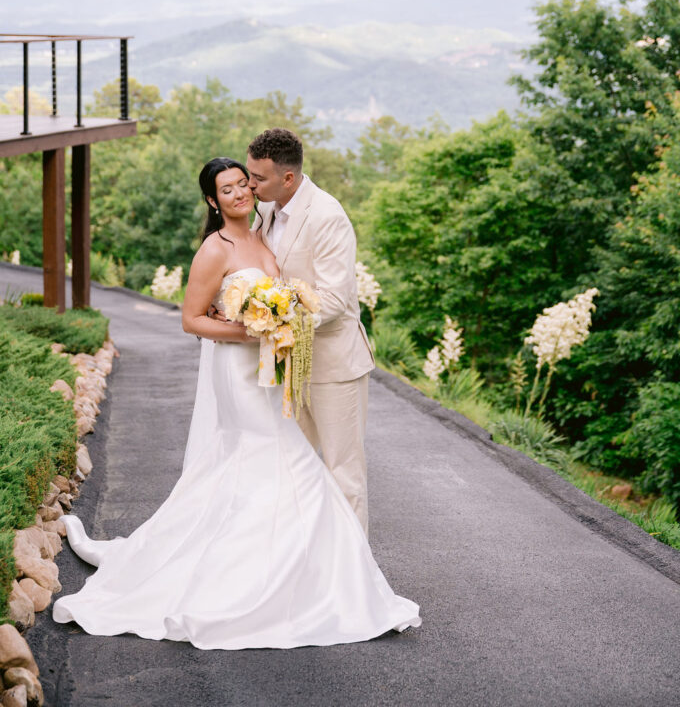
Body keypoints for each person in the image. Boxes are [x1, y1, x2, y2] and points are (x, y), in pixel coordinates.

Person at [53, 157, 420, 649]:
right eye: (226, 190)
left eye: (243, 184)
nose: (240, 194)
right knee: (277, 457)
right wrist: (250, 330)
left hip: (268, 370)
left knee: (274, 463)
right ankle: (268, 582)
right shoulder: (215, 248)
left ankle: (301, 573)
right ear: (212, 201)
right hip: (238, 368)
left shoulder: (263, 232)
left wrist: (277, 325)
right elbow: (191, 319)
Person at [244, 128, 374, 534]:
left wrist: (272, 315)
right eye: (249, 174)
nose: (249, 185)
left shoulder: (328, 216)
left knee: (342, 472)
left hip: (334, 366)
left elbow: (334, 300)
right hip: (288, 364)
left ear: (288, 178)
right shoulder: (266, 208)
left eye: (258, 178)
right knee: (291, 465)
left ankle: (355, 580)